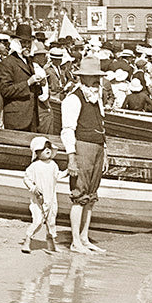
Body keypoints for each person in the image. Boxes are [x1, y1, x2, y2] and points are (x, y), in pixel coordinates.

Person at [61, 55, 108, 253]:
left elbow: (101, 126)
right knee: (79, 195)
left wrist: (105, 152)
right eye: (92, 78)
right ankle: (75, 241)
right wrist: (71, 157)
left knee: (91, 196)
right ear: (82, 78)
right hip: (82, 147)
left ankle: (84, 237)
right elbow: (67, 130)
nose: (96, 81)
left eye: (97, 77)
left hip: (97, 148)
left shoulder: (96, 98)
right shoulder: (73, 98)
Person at [21, 136, 67, 254]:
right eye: (43, 148)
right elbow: (26, 178)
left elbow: (58, 175)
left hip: (51, 199)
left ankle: (51, 244)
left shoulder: (53, 164)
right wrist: (33, 188)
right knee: (38, 221)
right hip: (39, 199)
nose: (47, 150)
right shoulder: (34, 166)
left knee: (51, 221)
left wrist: (68, 172)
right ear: (37, 153)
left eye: (49, 148)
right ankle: (27, 241)